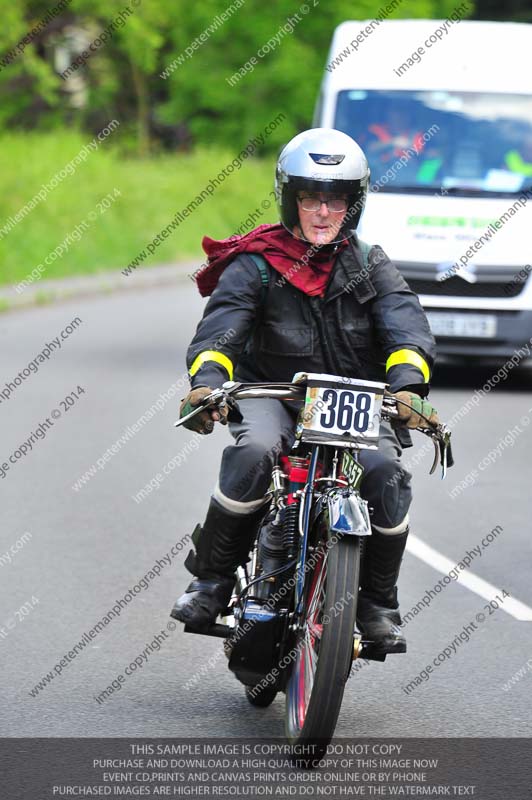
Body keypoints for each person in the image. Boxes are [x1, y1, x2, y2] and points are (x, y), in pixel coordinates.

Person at [170, 128, 438, 654]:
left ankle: (377, 606)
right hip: (273, 393)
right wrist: (208, 383)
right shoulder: (257, 264)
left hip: (354, 400)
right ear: (290, 199)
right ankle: (211, 581)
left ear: (352, 205)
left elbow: (407, 330)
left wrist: (407, 386)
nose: (322, 211)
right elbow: (220, 332)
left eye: (334, 199)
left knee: (385, 473)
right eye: (311, 198)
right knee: (253, 449)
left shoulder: (370, 263)